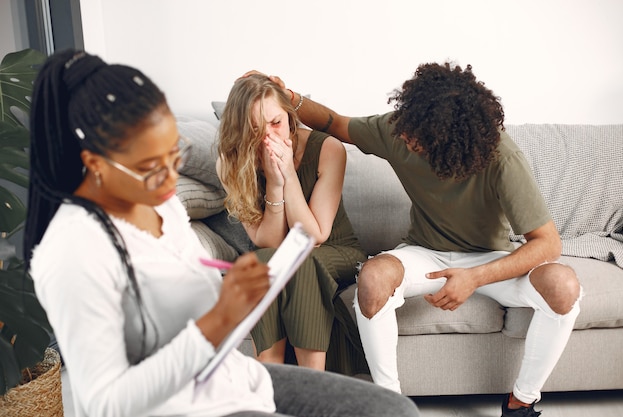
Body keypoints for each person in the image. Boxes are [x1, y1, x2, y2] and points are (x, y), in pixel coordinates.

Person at [24, 49, 420, 417]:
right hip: (187, 406)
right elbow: (106, 404)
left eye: (172, 155)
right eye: (151, 164)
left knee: (394, 411)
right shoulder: (72, 249)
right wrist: (217, 320)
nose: (170, 178)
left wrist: (230, 302)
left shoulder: (161, 206)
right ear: (95, 163)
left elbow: (193, 307)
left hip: (233, 380)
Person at [248, 63, 582, 417]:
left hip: (490, 257)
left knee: (563, 285)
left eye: (418, 138)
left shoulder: (501, 157)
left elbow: (547, 244)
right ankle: (389, 405)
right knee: (374, 279)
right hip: (424, 253)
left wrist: (475, 278)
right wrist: (291, 98)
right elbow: (336, 124)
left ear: (451, 142)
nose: (406, 139)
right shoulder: (401, 130)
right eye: (406, 128)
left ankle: (521, 403)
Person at [215, 74, 368, 374]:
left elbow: (314, 236)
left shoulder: (328, 149)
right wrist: (273, 184)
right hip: (279, 257)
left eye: (276, 123)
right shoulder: (229, 162)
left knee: (299, 260)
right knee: (261, 262)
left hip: (335, 250)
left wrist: (288, 173)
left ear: (289, 116)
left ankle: (313, 383)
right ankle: (270, 381)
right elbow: (268, 242)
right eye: (255, 130)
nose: (268, 137)